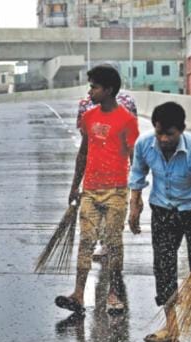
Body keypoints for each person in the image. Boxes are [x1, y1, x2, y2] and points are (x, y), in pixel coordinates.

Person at [129, 102, 191, 342]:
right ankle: (171, 326)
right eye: (159, 132)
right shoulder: (145, 144)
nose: (163, 138)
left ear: (181, 130)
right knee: (164, 265)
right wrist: (134, 206)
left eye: (169, 134)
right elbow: (137, 174)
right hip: (163, 210)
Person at [56, 65, 138, 317]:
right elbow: (83, 153)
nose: (90, 91)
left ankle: (114, 292)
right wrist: (74, 186)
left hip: (116, 190)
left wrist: (136, 196)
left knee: (113, 243)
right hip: (90, 190)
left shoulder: (127, 120)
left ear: (109, 89)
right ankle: (78, 294)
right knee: (86, 241)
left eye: (94, 87)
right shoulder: (88, 118)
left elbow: (136, 160)